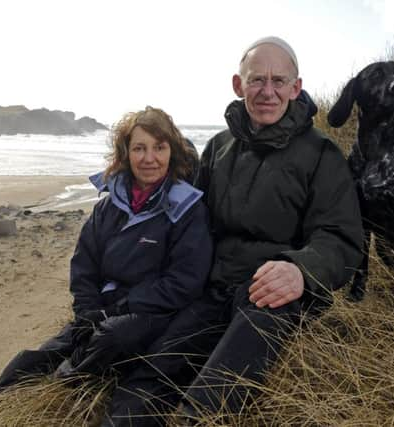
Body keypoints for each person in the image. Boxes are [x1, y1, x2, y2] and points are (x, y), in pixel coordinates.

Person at [101, 36, 364, 426]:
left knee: (213, 392)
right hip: (214, 288)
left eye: (279, 81)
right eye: (257, 80)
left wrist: (300, 269)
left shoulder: (322, 155)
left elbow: (341, 238)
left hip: (274, 290)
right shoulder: (219, 148)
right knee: (152, 374)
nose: (268, 92)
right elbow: (189, 220)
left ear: (296, 88)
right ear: (239, 86)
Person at [0, 106, 213, 404]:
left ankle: (56, 392)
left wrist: (115, 310)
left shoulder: (187, 208)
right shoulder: (108, 207)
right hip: (102, 307)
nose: (149, 158)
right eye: (139, 148)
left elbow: (185, 281)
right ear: (125, 153)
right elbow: (84, 265)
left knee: (112, 338)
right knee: (38, 356)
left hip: (153, 312)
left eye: (159, 147)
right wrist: (86, 312)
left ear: (172, 152)